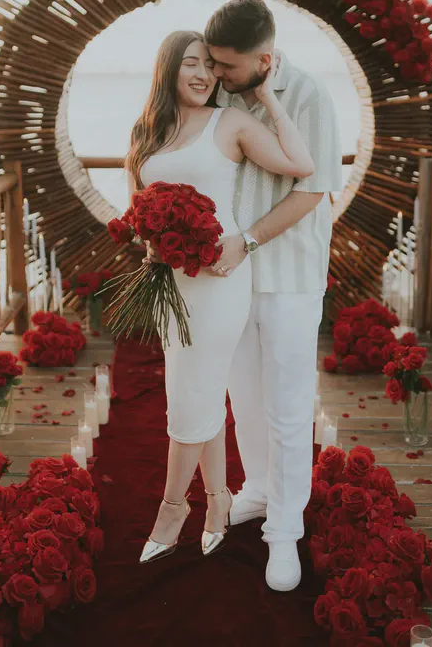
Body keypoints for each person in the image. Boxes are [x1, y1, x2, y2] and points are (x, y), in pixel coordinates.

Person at [125, 29, 314, 564]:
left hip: (220, 279)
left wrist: (269, 99)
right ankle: (215, 501)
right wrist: (150, 241)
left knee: (191, 394)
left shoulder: (230, 122)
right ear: (168, 70)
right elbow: (138, 203)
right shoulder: (149, 130)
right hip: (170, 282)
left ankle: (170, 508)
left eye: (210, 65)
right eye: (191, 63)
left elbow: (300, 166)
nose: (203, 74)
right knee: (195, 390)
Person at [204, 0, 342, 592]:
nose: (217, 75)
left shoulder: (309, 95)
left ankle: (284, 532)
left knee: (288, 407)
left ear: (264, 57)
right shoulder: (217, 92)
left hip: (288, 274)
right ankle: (258, 489)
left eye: (228, 67)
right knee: (244, 394)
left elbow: (314, 190)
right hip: (229, 279)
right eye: (212, 63)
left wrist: (249, 240)